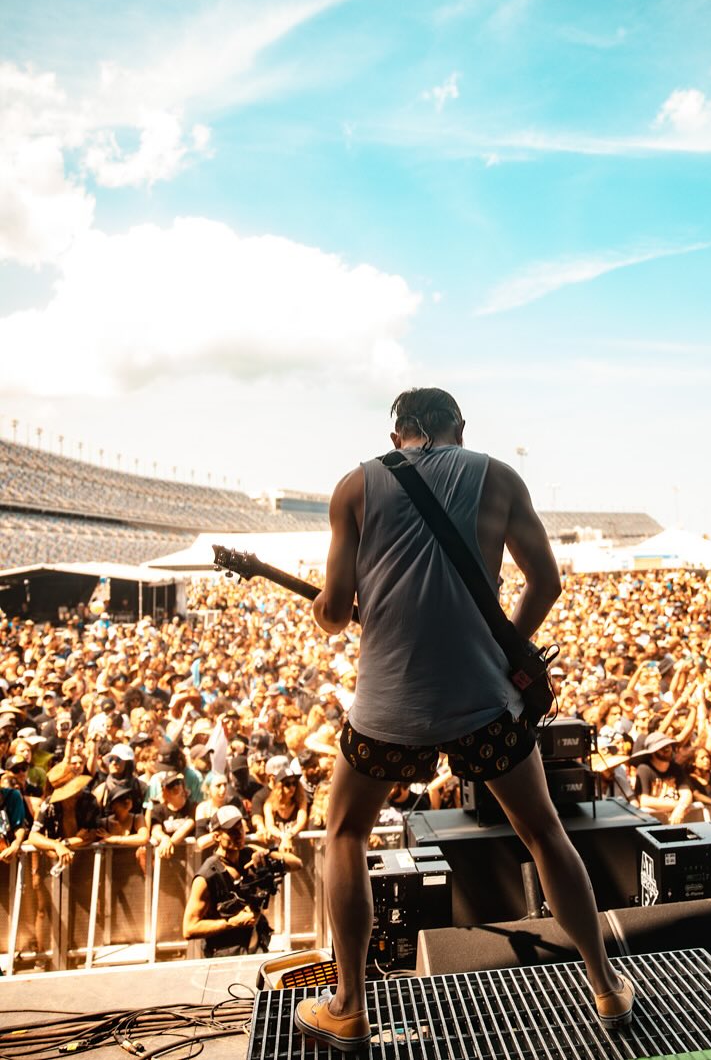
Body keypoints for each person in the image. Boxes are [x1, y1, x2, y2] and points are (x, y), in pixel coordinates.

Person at [294, 388, 633, 1052]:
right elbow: (546, 582)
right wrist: (506, 653)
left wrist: (323, 608)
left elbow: (334, 614)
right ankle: (605, 986)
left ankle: (350, 1006)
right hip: (486, 702)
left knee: (346, 834)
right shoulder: (499, 477)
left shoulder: (353, 488)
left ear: (396, 434)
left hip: (386, 708)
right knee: (544, 832)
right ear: (461, 428)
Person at [182, 804, 302, 958]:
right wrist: (231, 922)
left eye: (240, 828)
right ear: (217, 836)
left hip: (256, 948)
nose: (239, 834)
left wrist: (266, 855)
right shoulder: (207, 876)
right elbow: (189, 929)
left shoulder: (249, 853)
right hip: (224, 955)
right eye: (232, 831)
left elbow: (297, 864)